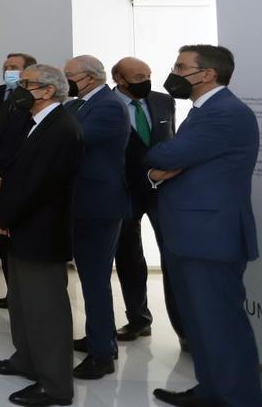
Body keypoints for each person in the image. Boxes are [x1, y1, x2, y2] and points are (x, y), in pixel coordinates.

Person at [146, 45, 262, 407]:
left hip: (210, 237)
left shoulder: (225, 113)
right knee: (199, 323)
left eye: (181, 66)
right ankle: (211, 391)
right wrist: (156, 171)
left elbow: (169, 155)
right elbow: (172, 160)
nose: (174, 72)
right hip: (190, 234)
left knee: (221, 325)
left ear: (207, 73)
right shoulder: (204, 110)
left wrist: (155, 163)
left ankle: (239, 400)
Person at [0, 64, 82, 407]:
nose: (20, 88)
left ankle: (55, 385)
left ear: (49, 91)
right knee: (23, 303)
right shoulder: (33, 122)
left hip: (41, 230)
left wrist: (2, 216)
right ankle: (25, 359)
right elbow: (13, 167)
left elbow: (38, 184)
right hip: (23, 226)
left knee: (46, 310)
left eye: (27, 84)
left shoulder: (61, 129)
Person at [62, 55, 131, 380]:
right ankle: (97, 337)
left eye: (69, 76)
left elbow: (73, 139)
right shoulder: (79, 104)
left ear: (90, 77)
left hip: (99, 204)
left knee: (94, 279)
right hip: (81, 202)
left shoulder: (109, 105)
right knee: (90, 277)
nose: (66, 81)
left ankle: (102, 352)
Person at [109, 57, 184, 347]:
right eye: (138, 75)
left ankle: (183, 326)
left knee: (172, 255)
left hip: (163, 191)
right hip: (123, 190)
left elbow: (171, 140)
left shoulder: (164, 101)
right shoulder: (105, 105)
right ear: (120, 79)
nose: (146, 79)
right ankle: (139, 319)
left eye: (148, 74)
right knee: (129, 257)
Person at [0, 52, 38, 308]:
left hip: (25, 183)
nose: (8, 71)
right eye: (6, 67)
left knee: (24, 243)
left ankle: (28, 296)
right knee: (4, 242)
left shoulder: (39, 102)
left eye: (14, 67)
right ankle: (12, 294)